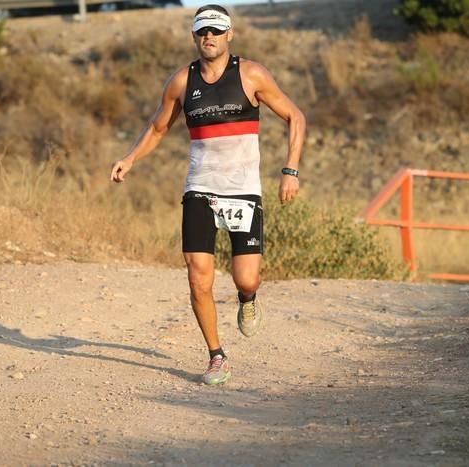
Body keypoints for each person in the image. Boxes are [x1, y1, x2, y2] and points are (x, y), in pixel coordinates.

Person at [110, 4, 305, 385]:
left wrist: (290, 170)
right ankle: (217, 356)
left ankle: (247, 300)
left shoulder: (251, 74)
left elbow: (294, 116)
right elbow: (157, 127)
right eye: (202, 31)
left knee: (245, 279)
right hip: (199, 189)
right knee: (198, 276)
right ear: (194, 36)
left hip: (243, 192)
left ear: (229, 34)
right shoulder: (182, 82)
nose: (209, 37)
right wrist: (130, 158)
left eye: (216, 30)